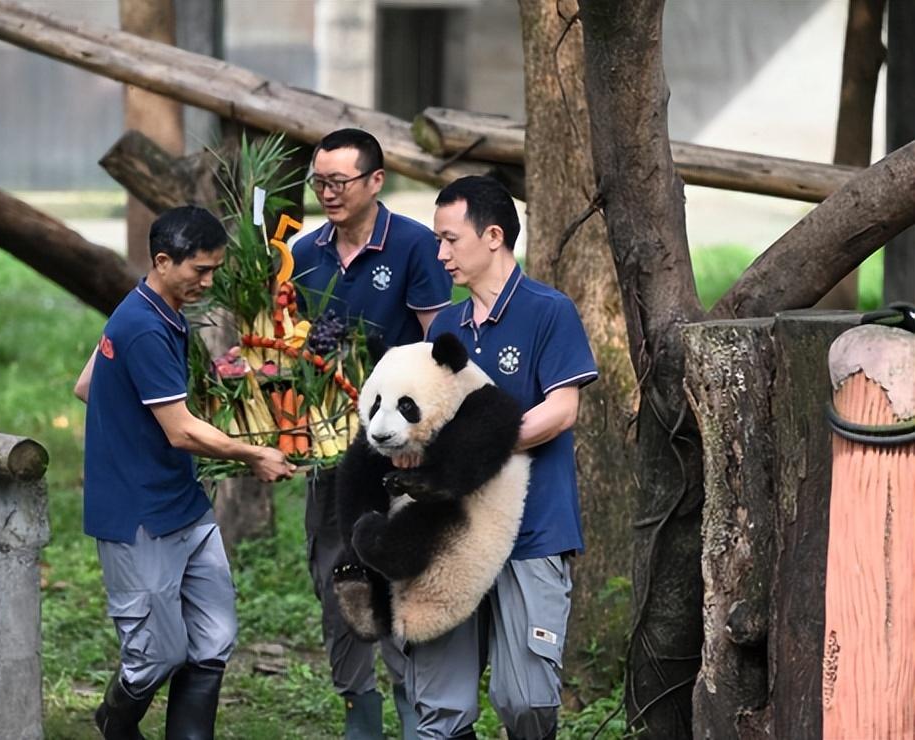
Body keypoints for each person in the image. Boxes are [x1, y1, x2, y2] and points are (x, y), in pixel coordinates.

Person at [74, 205, 296, 740]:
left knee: (213, 637)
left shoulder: (152, 308)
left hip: (184, 504)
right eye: (200, 270)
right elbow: (181, 431)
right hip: (139, 516)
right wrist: (254, 454)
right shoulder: (146, 326)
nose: (209, 281)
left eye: (215, 269)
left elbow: (87, 384)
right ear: (163, 261)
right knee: (156, 656)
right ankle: (115, 724)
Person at [408, 175, 599, 740]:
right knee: (439, 708)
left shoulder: (548, 311)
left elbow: (562, 411)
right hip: (454, 538)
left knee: (526, 702)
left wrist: (470, 452)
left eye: (450, 239)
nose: (440, 254)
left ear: (493, 236)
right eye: (437, 241)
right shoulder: (446, 326)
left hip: (532, 532)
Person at [291, 128, 453, 739]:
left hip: (398, 452)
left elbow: (439, 349)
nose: (328, 193)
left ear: (376, 181)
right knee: (336, 572)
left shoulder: (415, 248)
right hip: (328, 452)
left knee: (398, 571)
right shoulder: (304, 254)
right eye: (320, 183)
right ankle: (359, 707)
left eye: (340, 182)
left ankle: (417, 709)